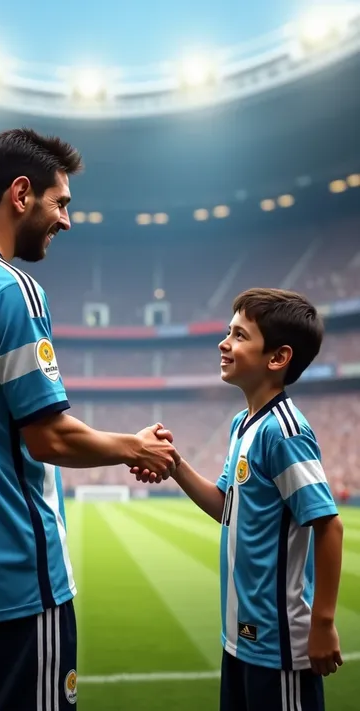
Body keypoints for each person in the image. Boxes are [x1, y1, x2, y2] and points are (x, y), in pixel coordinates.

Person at [0, 128, 179, 711]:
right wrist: (136, 447)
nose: (67, 221)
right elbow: (48, 435)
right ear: (21, 193)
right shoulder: (9, 288)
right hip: (17, 582)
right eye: (61, 203)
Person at [132, 287, 344, 711]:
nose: (223, 343)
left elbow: (328, 525)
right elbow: (225, 507)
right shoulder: (242, 425)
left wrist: (322, 624)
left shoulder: (283, 431)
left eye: (240, 335)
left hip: (279, 645)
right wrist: (174, 463)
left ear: (277, 358)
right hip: (240, 639)